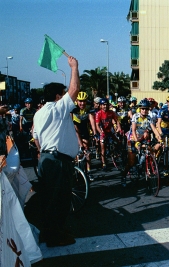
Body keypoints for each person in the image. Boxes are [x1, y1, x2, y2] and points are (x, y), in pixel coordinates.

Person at [32, 56, 79, 247]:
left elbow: (36, 138)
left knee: (49, 199)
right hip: (57, 161)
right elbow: (75, 89)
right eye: (63, 93)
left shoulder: (39, 112)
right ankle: (54, 236)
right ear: (59, 97)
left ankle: (51, 232)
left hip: (47, 158)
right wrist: (74, 67)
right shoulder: (58, 109)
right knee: (59, 200)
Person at [122, 99, 161, 187]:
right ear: (140, 109)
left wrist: (159, 138)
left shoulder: (149, 117)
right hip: (132, 139)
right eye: (143, 109)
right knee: (131, 163)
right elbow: (133, 130)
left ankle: (146, 166)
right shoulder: (135, 116)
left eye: (146, 109)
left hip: (142, 138)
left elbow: (154, 129)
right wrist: (136, 142)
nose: (144, 110)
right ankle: (123, 176)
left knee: (150, 150)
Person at [71, 91, 97, 175]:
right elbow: (71, 123)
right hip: (74, 130)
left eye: (84, 101)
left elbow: (92, 121)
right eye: (80, 101)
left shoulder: (89, 108)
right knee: (75, 150)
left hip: (84, 130)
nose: (82, 103)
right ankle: (75, 167)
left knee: (86, 150)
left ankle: (89, 170)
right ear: (77, 101)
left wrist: (95, 132)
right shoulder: (73, 108)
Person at [95, 98, 121, 171]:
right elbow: (97, 125)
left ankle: (116, 154)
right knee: (103, 147)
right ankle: (104, 163)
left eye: (106, 105)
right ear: (100, 106)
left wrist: (118, 127)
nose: (105, 107)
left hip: (109, 131)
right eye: (103, 105)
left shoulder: (111, 112)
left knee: (118, 141)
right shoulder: (98, 114)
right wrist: (101, 132)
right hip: (102, 132)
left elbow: (117, 120)